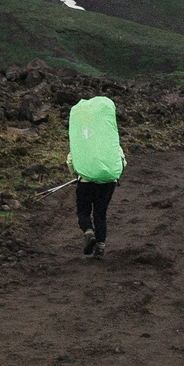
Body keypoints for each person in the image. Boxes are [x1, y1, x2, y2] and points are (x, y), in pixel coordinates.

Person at [66, 94, 123, 259]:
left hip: (85, 181)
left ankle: (88, 232)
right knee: (100, 214)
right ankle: (100, 248)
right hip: (108, 181)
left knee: (83, 211)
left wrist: (76, 174)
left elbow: (71, 160)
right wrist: (115, 175)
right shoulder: (110, 141)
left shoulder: (83, 142)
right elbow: (121, 161)